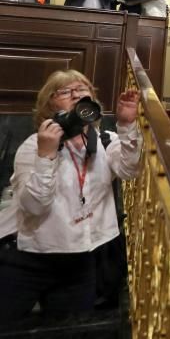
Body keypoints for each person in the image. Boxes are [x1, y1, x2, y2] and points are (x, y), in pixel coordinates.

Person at [0, 71, 140, 321]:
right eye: (65, 91)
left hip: (79, 262)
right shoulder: (34, 146)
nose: (76, 94)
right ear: (50, 104)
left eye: (82, 88)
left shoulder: (106, 141)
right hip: (28, 258)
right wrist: (46, 155)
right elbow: (34, 206)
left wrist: (128, 125)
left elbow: (129, 170)